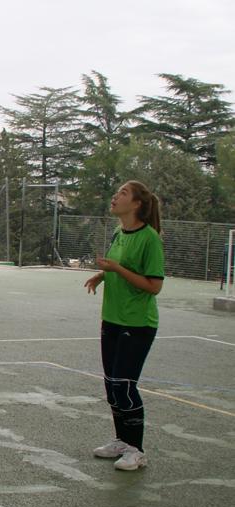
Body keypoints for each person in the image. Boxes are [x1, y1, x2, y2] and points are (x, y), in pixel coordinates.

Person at [84, 180, 164, 471]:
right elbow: (119, 265)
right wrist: (101, 276)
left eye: (123, 193)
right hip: (112, 319)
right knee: (112, 386)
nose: (115, 196)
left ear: (137, 204)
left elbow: (154, 286)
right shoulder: (120, 233)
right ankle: (121, 439)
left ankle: (136, 450)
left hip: (138, 323)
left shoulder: (149, 238)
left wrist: (116, 269)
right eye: (116, 192)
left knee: (125, 386)